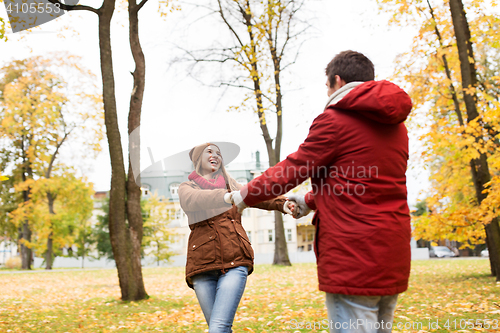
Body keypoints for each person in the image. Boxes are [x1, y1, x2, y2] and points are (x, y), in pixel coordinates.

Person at [230, 50, 413, 333]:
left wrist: (244, 196)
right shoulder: (397, 126)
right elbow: (361, 182)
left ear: (337, 81)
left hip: (354, 253)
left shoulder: (335, 120)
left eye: (327, 86)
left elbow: (295, 168)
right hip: (392, 248)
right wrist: (307, 200)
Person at [178, 143, 293, 333]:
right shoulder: (187, 187)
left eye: (218, 153)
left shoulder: (232, 186)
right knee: (219, 328)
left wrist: (283, 204)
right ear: (198, 158)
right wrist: (227, 197)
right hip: (203, 266)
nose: (215, 156)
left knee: (218, 328)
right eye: (209, 152)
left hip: (235, 260)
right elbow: (193, 200)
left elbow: (256, 195)